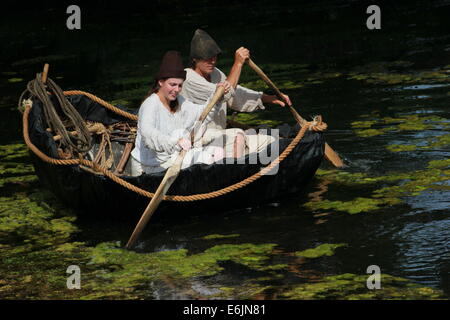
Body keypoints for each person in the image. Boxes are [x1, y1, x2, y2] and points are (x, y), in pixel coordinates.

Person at [181, 29, 292, 158]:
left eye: (214, 57)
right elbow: (224, 93)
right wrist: (238, 64)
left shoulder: (216, 73)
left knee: (270, 141)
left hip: (220, 137)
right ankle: (235, 171)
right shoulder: (187, 79)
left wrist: (268, 98)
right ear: (194, 59)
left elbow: (236, 94)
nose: (212, 61)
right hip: (198, 140)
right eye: (207, 58)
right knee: (237, 135)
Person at [130, 50, 231, 176]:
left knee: (218, 153)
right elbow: (148, 134)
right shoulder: (150, 105)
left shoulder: (179, 101)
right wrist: (175, 142)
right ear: (160, 82)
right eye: (172, 84)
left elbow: (201, 115)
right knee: (209, 158)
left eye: (179, 85)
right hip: (149, 167)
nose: (176, 90)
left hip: (172, 159)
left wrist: (216, 97)